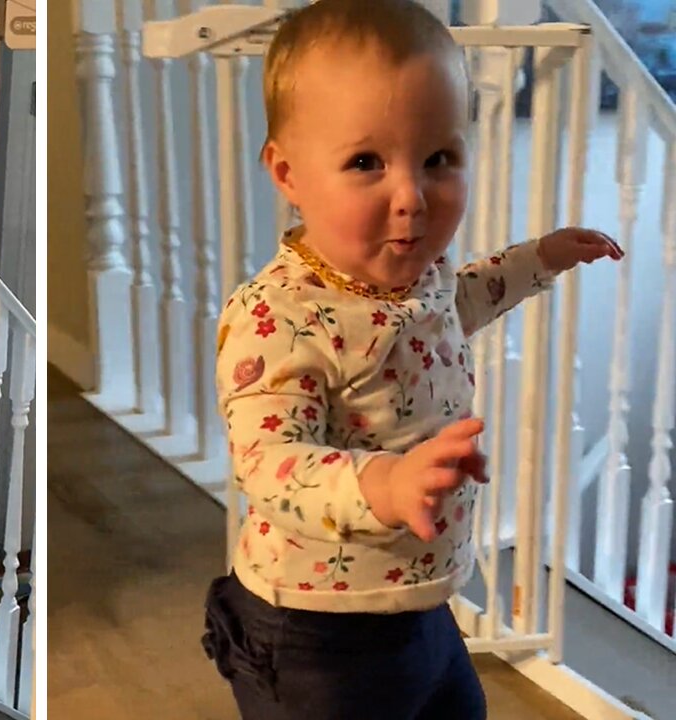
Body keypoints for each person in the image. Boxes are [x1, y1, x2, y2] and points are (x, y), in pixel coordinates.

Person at [206, 1, 623, 717]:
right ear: (287, 173)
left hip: (420, 598)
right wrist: (385, 483)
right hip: (314, 631)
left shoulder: (414, 277)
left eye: (438, 159)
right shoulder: (276, 317)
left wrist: (538, 260)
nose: (412, 197)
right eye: (366, 162)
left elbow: (455, 306)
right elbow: (268, 462)